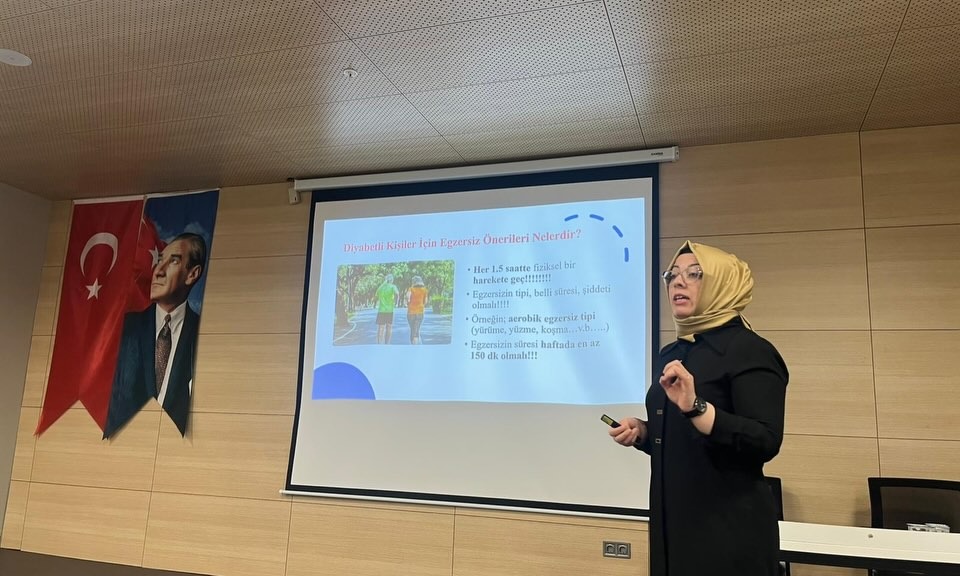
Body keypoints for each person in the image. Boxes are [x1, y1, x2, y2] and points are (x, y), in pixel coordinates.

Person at [609, 241, 788, 576]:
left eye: (695, 274)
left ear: (722, 284)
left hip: (726, 530)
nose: (678, 282)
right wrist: (644, 432)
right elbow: (682, 435)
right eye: (672, 275)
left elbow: (765, 440)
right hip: (672, 524)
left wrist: (696, 408)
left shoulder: (750, 350)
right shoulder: (673, 352)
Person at [104, 233, 207, 438]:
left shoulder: (202, 333)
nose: (158, 271)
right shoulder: (127, 327)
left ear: (192, 274)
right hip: (124, 441)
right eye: (159, 261)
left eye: (173, 261)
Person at [375, 273, 399, 344]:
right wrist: (396, 303)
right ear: (392, 280)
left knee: (381, 328)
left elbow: (376, 294)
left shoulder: (381, 287)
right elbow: (397, 293)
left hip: (381, 310)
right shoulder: (393, 286)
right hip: (389, 310)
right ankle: (387, 344)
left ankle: (380, 344)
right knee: (389, 327)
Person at [405, 275, 428, 344]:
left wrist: (408, 302)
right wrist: (421, 305)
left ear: (414, 282)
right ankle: (415, 345)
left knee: (413, 330)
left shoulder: (411, 289)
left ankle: (414, 346)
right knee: (415, 331)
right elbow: (425, 301)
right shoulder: (424, 290)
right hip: (420, 312)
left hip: (410, 313)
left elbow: (407, 296)